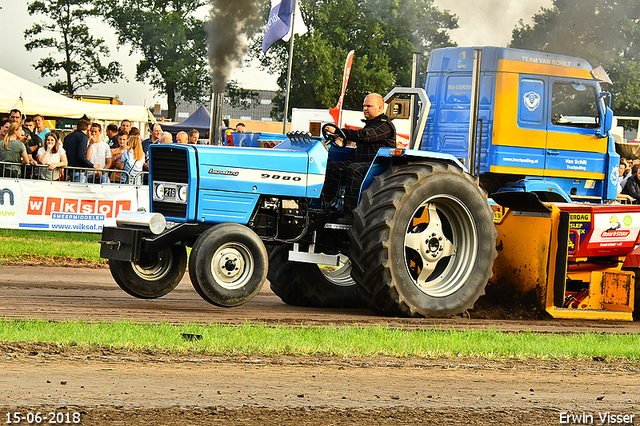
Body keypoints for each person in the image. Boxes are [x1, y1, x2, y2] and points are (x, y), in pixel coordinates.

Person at [321, 93, 396, 224]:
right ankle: (327, 206)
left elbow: (365, 135)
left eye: (369, 106)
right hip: (361, 161)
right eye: (364, 106)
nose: (365, 109)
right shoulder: (370, 124)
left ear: (380, 108)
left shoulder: (384, 125)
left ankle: (351, 214)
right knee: (332, 167)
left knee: (354, 169)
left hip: (376, 165)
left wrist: (340, 133)